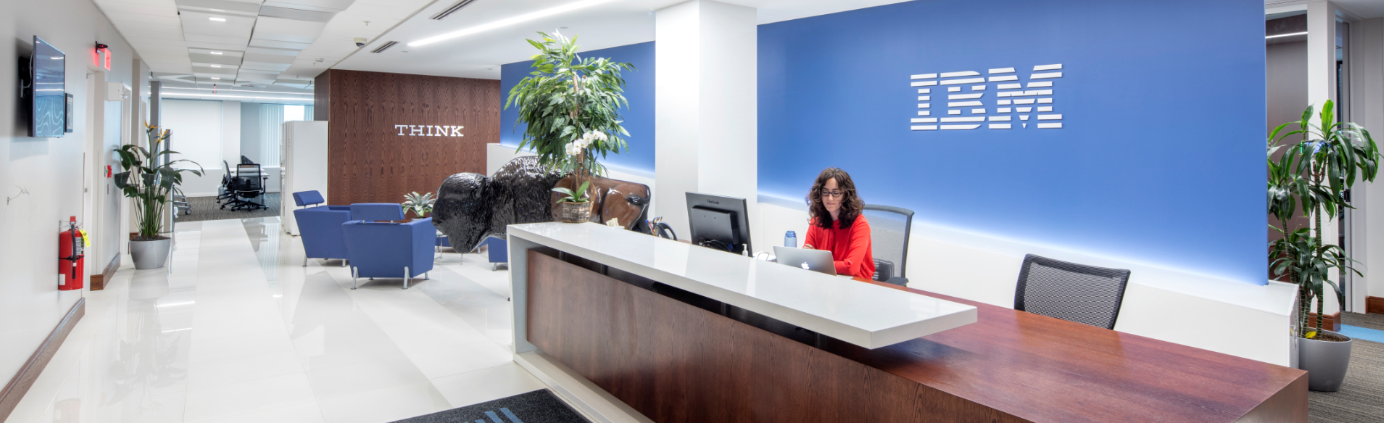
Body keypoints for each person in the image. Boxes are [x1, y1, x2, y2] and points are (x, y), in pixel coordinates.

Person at [802, 167, 875, 279]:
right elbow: (807, 257)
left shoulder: (860, 225)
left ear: (845, 195)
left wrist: (817, 260)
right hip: (826, 281)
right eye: (825, 192)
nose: (830, 198)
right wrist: (815, 260)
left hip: (857, 285)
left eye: (836, 193)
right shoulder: (816, 221)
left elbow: (851, 268)